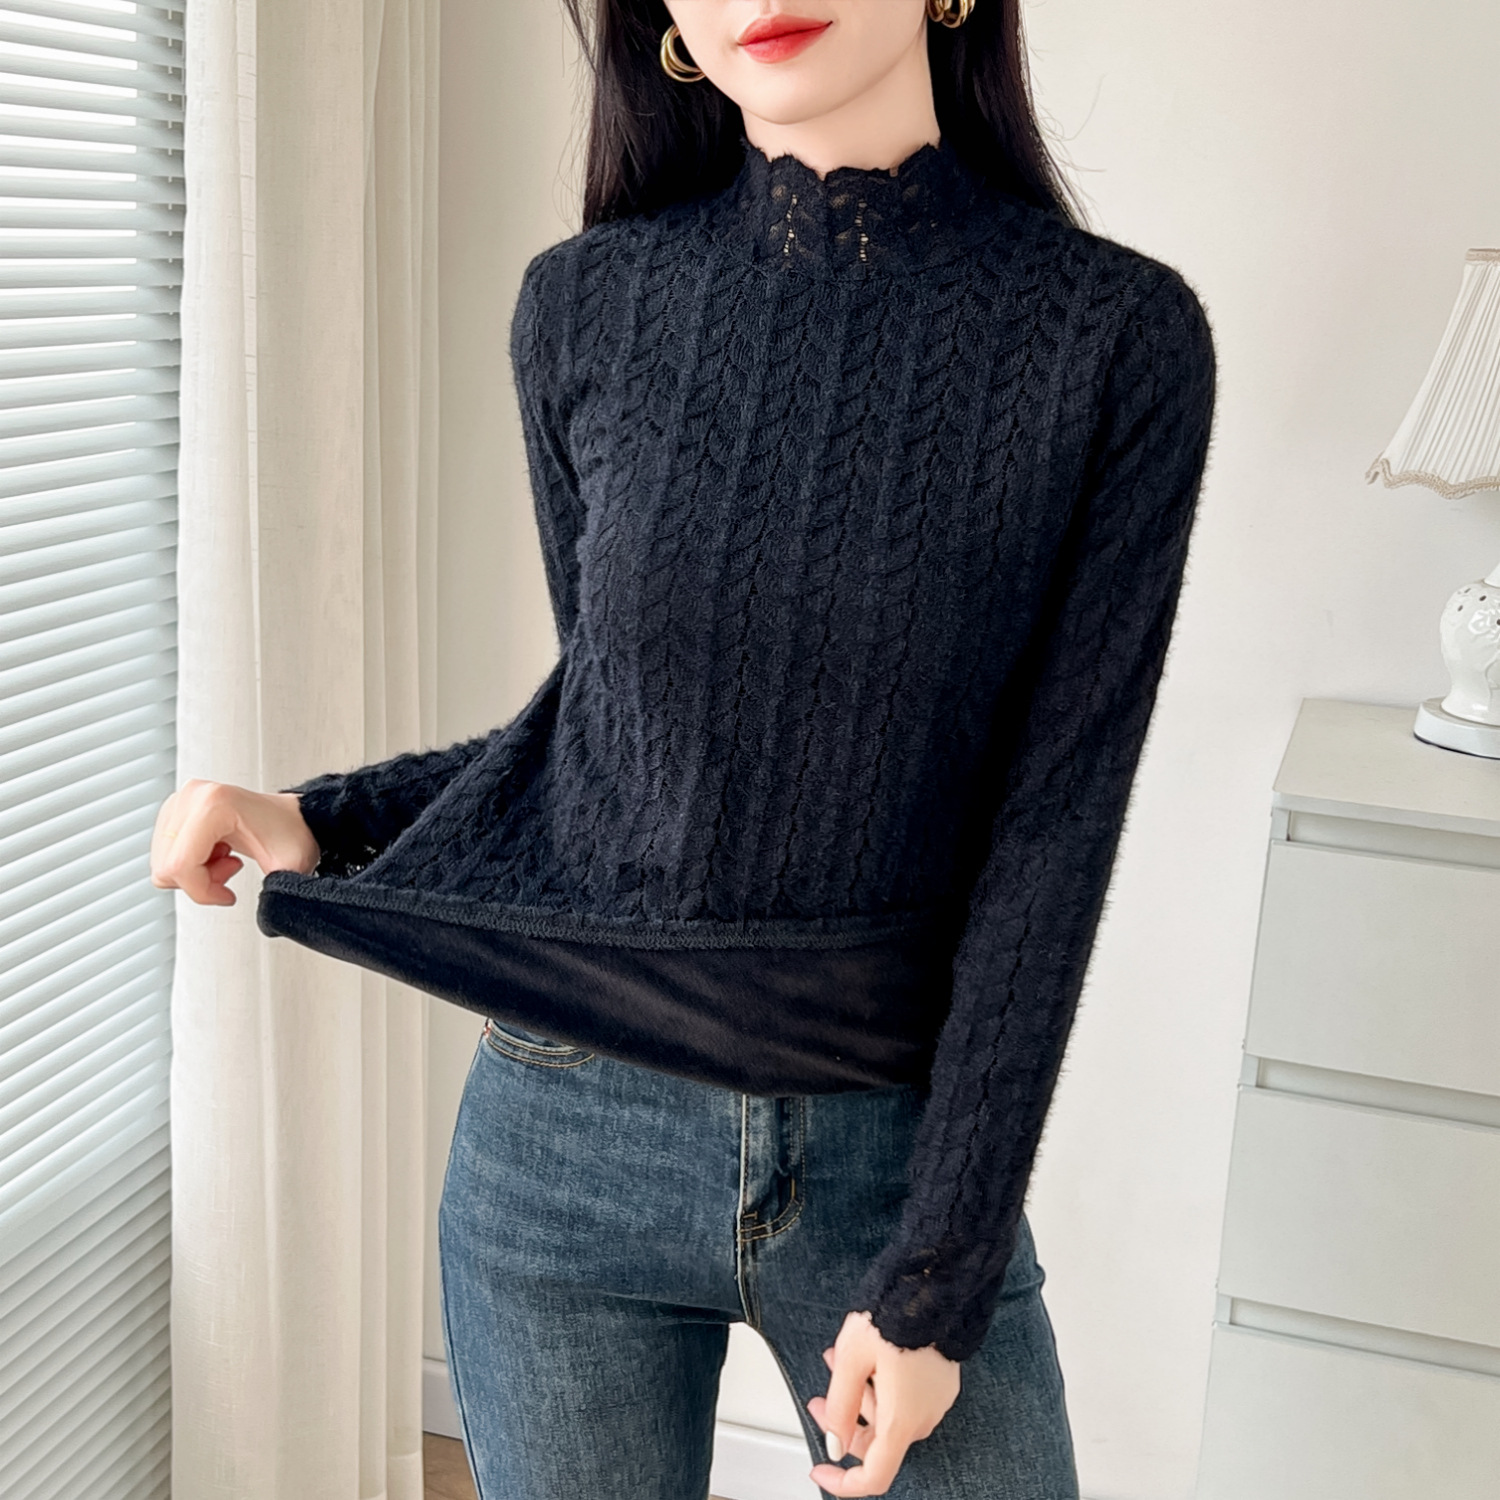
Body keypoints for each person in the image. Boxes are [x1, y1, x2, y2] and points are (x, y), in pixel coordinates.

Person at [150, 1, 1217, 1495]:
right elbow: (613, 740)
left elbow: (1054, 832)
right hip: (561, 1141)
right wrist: (326, 818)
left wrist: (942, 1273)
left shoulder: (1114, 339)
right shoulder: (582, 308)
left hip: (887, 1154)